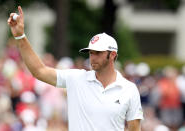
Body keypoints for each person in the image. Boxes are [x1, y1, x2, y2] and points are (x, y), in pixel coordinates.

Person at [7, 6, 143, 131]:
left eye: (98, 53)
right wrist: (20, 36)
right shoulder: (77, 78)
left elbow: (134, 129)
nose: (92, 57)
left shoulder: (129, 89)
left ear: (112, 55)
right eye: (91, 52)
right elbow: (39, 71)